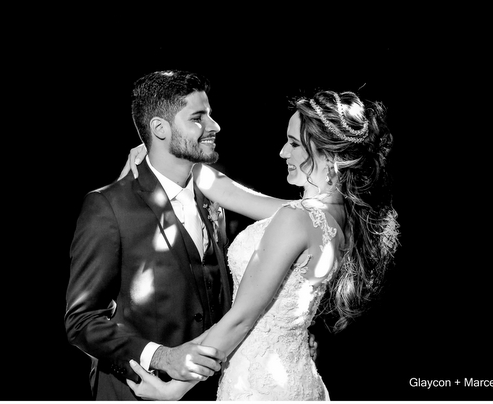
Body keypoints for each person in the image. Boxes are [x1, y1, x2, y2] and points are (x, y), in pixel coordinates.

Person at [120, 88, 400, 400]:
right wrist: (166, 153)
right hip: (297, 380)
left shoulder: (297, 219)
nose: (282, 152)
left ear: (328, 154)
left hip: (259, 388)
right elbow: (232, 194)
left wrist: (173, 389)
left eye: (294, 143)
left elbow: (241, 320)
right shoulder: (335, 217)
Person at [65, 70, 248, 400]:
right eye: (198, 117)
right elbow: (82, 321)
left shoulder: (215, 197)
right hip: (136, 392)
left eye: (210, 114)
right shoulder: (108, 206)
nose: (215, 126)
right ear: (160, 129)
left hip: (213, 390)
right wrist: (161, 356)